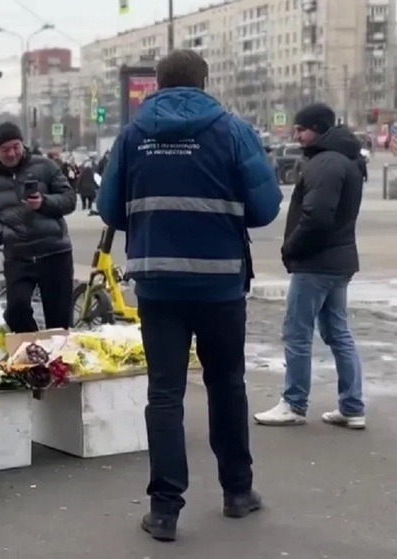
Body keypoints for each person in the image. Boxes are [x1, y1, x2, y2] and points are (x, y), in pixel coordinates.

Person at [97, 49, 282, 542]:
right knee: (227, 384)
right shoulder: (232, 130)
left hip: (157, 285)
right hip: (219, 284)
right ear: (205, 80)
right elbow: (265, 208)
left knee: (164, 394)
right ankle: (238, 493)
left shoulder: (134, 135)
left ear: (156, 84)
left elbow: (108, 208)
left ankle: (163, 511)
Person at [254, 103, 366, 429]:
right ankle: (352, 406)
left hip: (316, 262)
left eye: (302, 129)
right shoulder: (346, 158)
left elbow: (316, 218)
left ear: (317, 128)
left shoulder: (325, 162)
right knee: (337, 332)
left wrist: (291, 248)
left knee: (297, 332)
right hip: (340, 260)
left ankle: (294, 403)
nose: (297, 134)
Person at [0, 122, 77, 333]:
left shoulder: (46, 166)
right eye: (5, 149)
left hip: (54, 252)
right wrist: (3, 234)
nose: (12, 153)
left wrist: (44, 202)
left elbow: (69, 199)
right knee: (16, 311)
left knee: (59, 322)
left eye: (16, 147)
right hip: (18, 256)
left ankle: (57, 361)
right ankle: (34, 352)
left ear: (23, 144)